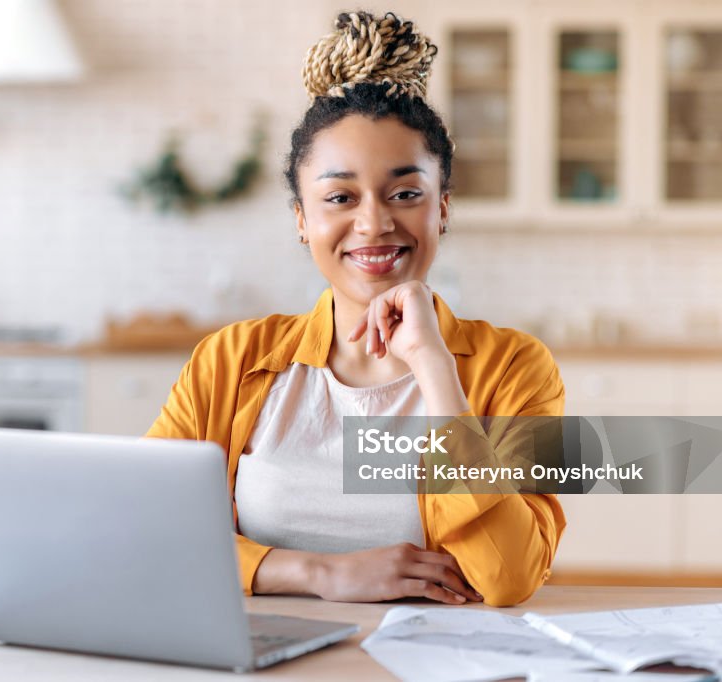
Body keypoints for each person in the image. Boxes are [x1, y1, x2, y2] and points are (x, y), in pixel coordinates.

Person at [146, 10, 565, 607]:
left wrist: (436, 371)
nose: (374, 223)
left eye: (405, 193)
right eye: (340, 196)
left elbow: (508, 576)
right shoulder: (231, 359)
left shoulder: (518, 368)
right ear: (302, 219)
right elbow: (149, 531)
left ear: (441, 209)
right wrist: (318, 573)